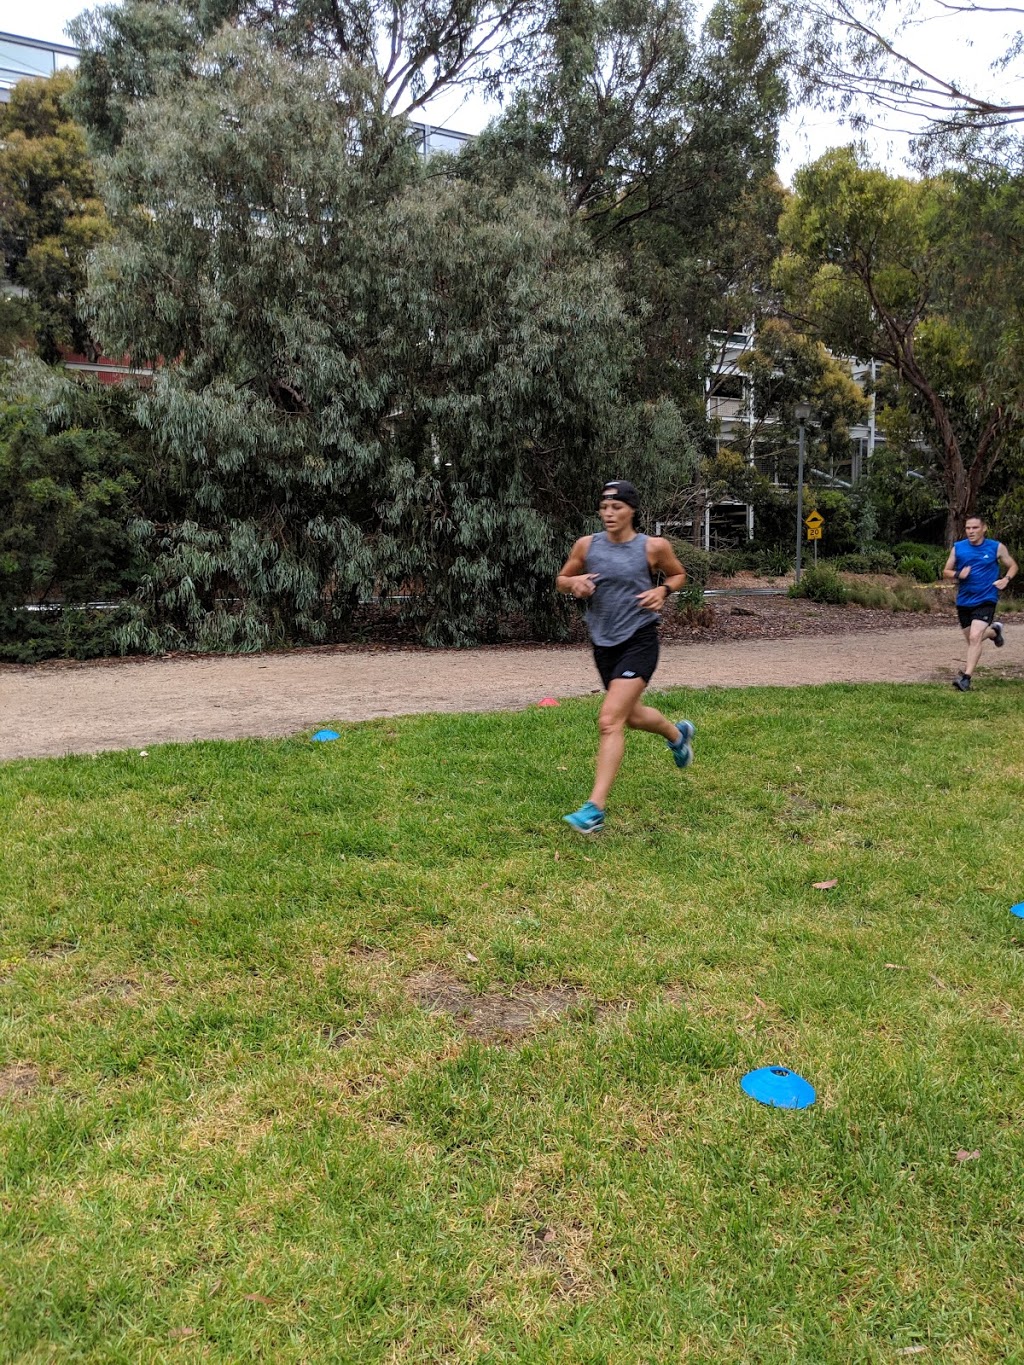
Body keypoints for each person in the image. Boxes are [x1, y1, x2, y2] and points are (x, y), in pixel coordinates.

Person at [556, 479, 695, 833]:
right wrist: (574, 584)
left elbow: (679, 574)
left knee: (609, 720)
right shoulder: (587, 546)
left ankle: (594, 809)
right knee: (630, 717)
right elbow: (562, 578)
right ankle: (677, 735)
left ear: (631, 510)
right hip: (604, 643)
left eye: (616, 507)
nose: (609, 514)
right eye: (604, 508)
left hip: (640, 640)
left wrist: (663, 590)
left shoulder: (653, 547)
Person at [943, 514, 1018, 691]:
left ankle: (966, 679)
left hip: (986, 598)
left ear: (984, 528)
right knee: (971, 640)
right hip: (964, 601)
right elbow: (946, 570)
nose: (971, 531)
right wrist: (957, 574)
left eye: (975, 528)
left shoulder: (996, 547)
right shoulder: (958, 548)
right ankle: (994, 632)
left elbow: (1013, 565)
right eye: (968, 528)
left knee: (975, 637)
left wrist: (1006, 579)